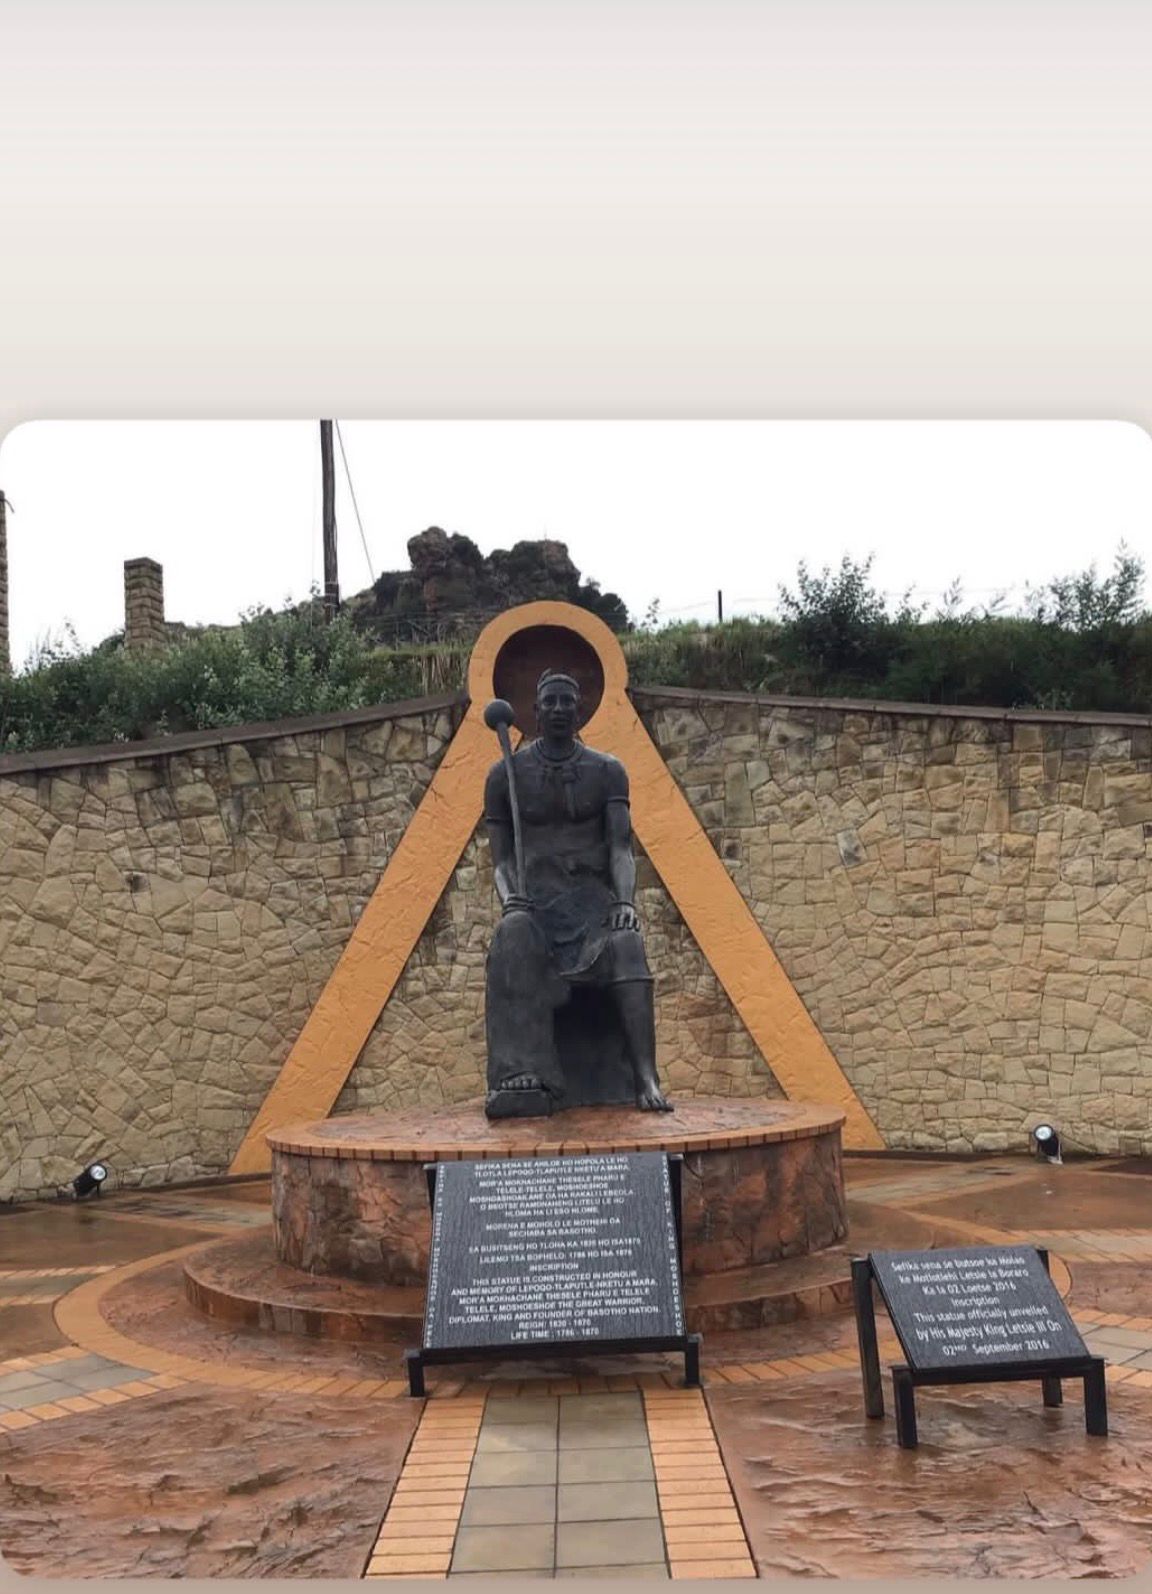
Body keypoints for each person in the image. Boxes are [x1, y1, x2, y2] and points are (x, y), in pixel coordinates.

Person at [483, 669, 672, 1117]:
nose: (559, 710)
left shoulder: (607, 771)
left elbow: (620, 847)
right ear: (534, 711)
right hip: (537, 907)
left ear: (580, 709)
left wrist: (624, 902)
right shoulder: (504, 776)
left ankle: (645, 1077)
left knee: (627, 943)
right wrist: (512, 899)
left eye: (568, 702)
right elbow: (502, 861)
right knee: (513, 935)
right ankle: (521, 1077)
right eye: (550, 702)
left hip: (592, 905)